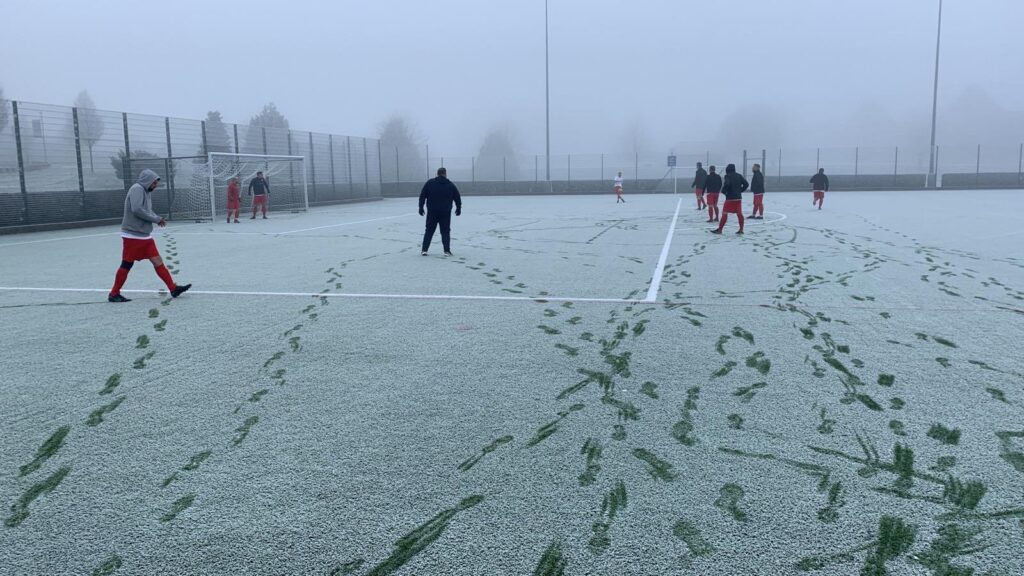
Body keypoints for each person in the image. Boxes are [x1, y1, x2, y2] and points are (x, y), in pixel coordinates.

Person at [108, 169, 191, 302]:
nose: (155, 185)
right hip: (133, 235)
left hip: (144, 235)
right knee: (127, 264)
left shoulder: (145, 191)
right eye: (154, 183)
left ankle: (173, 289)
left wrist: (157, 218)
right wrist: (156, 220)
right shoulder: (137, 189)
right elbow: (137, 209)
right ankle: (113, 294)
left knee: (157, 260)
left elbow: (147, 210)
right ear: (148, 181)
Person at [419, 167, 462, 256]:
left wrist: (421, 207)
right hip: (445, 212)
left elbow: (422, 195)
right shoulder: (450, 185)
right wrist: (458, 208)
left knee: (429, 230)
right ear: (445, 174)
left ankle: (424, 250)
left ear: (437, 174)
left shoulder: (430, 183)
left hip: (432, 211)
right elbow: (457, 197)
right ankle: (446, 251)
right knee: (445, 231)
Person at [712, 163, 748, 234]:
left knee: (724, 213)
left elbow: (727, 184)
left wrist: (724, 191)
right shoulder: (739, 175)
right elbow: (746, 184)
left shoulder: (727, 176)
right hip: (738, 198)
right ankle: (741, 229)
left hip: (730, 198)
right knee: (739, 214)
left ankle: (720, 230)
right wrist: (740, 190)